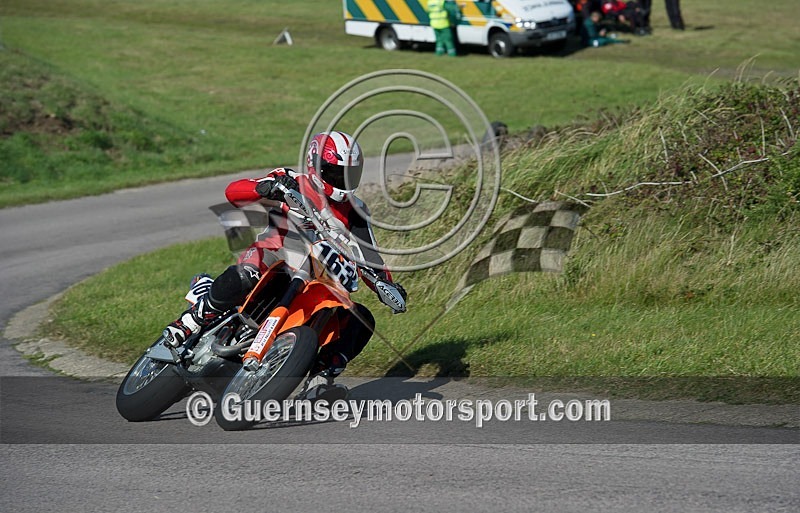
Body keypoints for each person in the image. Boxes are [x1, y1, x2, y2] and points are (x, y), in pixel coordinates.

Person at [163, 131, 407, 378]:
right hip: (274, 253)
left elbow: (370, 256)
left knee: (361, 319)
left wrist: (385, 284)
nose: (343, 180)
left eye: (349, 173)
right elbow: (233, 192)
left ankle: (320, 378)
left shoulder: (356, 211)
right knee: (246, 274)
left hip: (319, 275)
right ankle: (190, 321)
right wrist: (265, 188)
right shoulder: (291, 180)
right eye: (335, 173)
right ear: (316, 166)